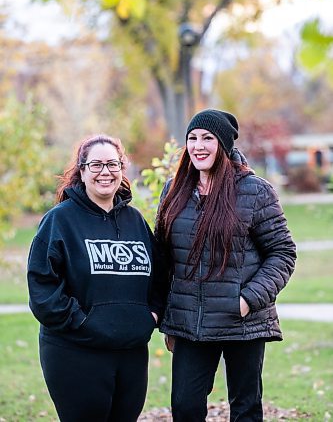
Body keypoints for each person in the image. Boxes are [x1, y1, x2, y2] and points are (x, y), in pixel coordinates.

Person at [155, 109, 297, 422]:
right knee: (185, 407)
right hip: (189, 323)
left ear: (224, 145)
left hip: (241, 322)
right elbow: (164, 257)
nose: (198, 145)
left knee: (245, 408)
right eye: (192, 138)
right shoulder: (173, 190)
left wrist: (247, 300)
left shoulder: (255, 191)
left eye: (207, 138)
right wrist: (167, 316)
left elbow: (283, 253)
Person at [27, 134, 166, 422]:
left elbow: (160, 275)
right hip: (76, 352)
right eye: (97, 164)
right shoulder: (60, 220)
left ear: (122, 169)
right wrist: (82, 321)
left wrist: (150, 316)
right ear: (82, 170)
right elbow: (43, 287)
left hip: (130, 353)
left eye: (113, 164)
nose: (106, 172)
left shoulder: (135, 221)